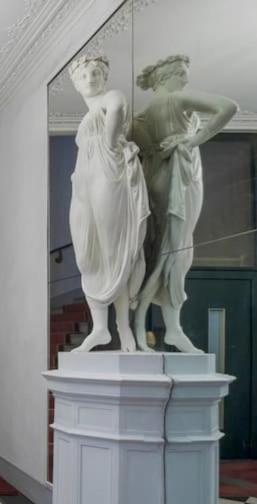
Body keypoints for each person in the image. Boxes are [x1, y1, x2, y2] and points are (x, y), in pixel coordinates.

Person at [131, 55, 238, 353]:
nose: (185, 79)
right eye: (180, 73)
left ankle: (143, 324)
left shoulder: (141, 115)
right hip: (178, 175)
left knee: (162, 247)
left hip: (155, 176)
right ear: (164, 79)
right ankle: (171, 328)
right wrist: (193, 141)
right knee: (176, 248)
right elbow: (228, 107)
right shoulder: (176, 99)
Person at [67, 55, 149, 352]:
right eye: (84, 75)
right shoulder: (86, 114)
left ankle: (121, 326)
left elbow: (116, 109)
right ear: (76, 84)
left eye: (96, 72)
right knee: (87, 257)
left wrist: (110, 141)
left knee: (114, 252)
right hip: (84, 181)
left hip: (107, 174)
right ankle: (100, 329)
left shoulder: (111, 95)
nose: (90, 78)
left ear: (104, 76)